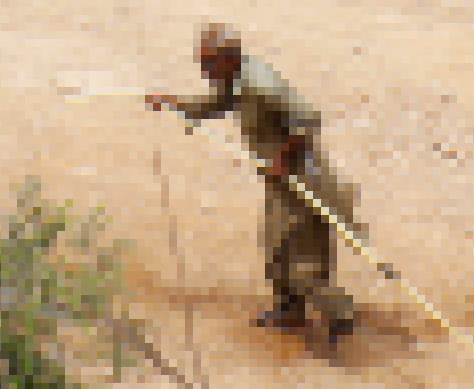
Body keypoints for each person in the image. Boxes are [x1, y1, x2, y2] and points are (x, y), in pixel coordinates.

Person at [146, 21, 358, 343]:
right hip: (280, 183)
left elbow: (307, 120)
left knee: (302, 258)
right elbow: (217, 104)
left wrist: (284, 157)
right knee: (276, 246)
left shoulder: (260, 84)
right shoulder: (236, 80)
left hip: (301, 181)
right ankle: (290, 311)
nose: (204, 72)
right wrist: (173, 103)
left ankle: (341, 317)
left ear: (228, 57)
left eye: (208, 63)